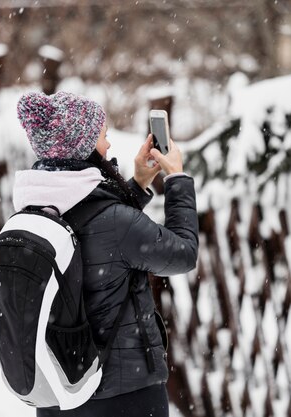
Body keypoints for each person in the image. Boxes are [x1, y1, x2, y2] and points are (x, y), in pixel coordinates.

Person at [13, 91, 199, 417]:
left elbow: (98, 232)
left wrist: (139, 183)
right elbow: (183, 254)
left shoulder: (36, 207)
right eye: (103, 137)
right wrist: (178, 180)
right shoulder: (113, 222)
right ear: (82, 146)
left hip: (60, 390)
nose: (108, 146)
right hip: (125, 394)